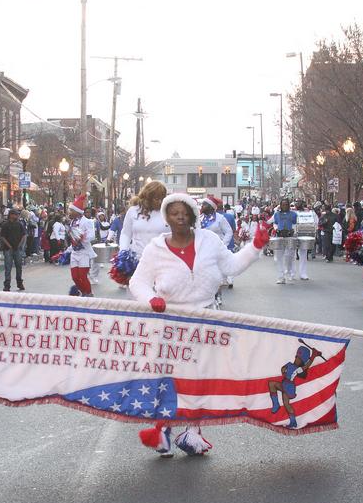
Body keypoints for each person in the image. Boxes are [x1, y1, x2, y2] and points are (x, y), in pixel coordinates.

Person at [131, 193, 270, 456]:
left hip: (206, 320)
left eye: (185, 211)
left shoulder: (210, 241)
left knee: (199, 379)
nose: (180, 216)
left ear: (194, 215)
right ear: (167, 218)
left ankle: (192, 432)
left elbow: (231, 266)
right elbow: (137, 282)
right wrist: (151, 298)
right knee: (171, 380)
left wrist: (255, 247)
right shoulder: (155, 249)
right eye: (174, 212)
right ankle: (162, 429)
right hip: (171, 324)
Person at [67, 195, 97, 297]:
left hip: (84, 252)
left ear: (77, 211)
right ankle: (83, 291)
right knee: (75, 277)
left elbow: (92, 236)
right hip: (74, 252)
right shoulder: (72, 221)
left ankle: (88, 293)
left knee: (82, 276)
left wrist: (82, 237)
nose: (69, 212)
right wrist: (68, 249)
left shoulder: (87, 221)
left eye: (71, 210)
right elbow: (72, 238)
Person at [0, 208, 27, 292]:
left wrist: (20, 244)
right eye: (15, 214)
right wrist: (9, 245)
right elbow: (2, 236)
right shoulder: (5, 225)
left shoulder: (19, 224)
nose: (17, 216)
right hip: (8, 249)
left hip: (17, 249)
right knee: (8, 267)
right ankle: (7, 285)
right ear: (11, 215)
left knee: (19, 266)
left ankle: (19, 282)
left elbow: (24, 235)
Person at [272, 198, 298, 283]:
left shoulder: (293, 214)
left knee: (289, 256)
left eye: (286, 204)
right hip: (279, 236)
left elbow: (295, 224)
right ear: (280, 205)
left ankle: (289, 272)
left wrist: (293, 230)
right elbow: (275, 223)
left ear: (288, 205)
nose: (284, 206)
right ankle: (281, 276)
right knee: (279, 257)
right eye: (283, 204)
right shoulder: (277, 214)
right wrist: (276, 229)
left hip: (290, 237)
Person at [293, 198, 317, 280]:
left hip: (304, 234)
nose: (298, 205)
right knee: (291, 254)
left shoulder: (310, 213)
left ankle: (303, 273)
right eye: (297, 203)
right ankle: (291, 272)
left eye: (300, 204)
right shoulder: (293, 212)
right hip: (293, 235)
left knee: (303, 254)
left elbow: (316, 222)